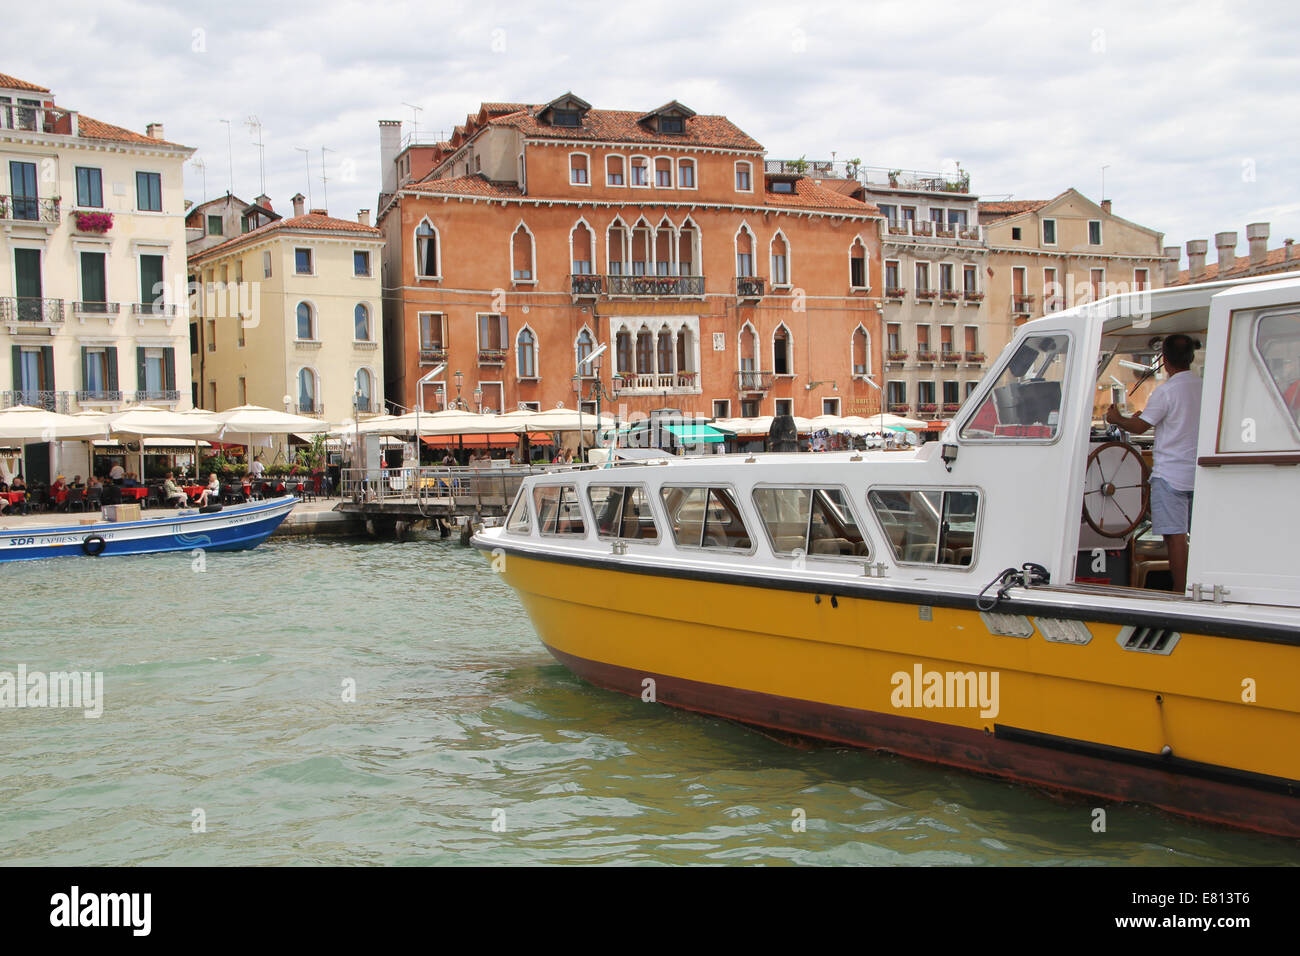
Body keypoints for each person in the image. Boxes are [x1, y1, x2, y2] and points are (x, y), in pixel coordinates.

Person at [1106, 333, 1202, 595]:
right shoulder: (1205, 386)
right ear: (1191, 358)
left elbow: (1139, 426)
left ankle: (1181, 592)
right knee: (1201, 537)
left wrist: (1117, 418)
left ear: (1165, 360)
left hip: (1170, 474)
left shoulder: (1166, 392)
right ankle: (1201, 587)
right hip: (1200, 473)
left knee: (1175, 537)